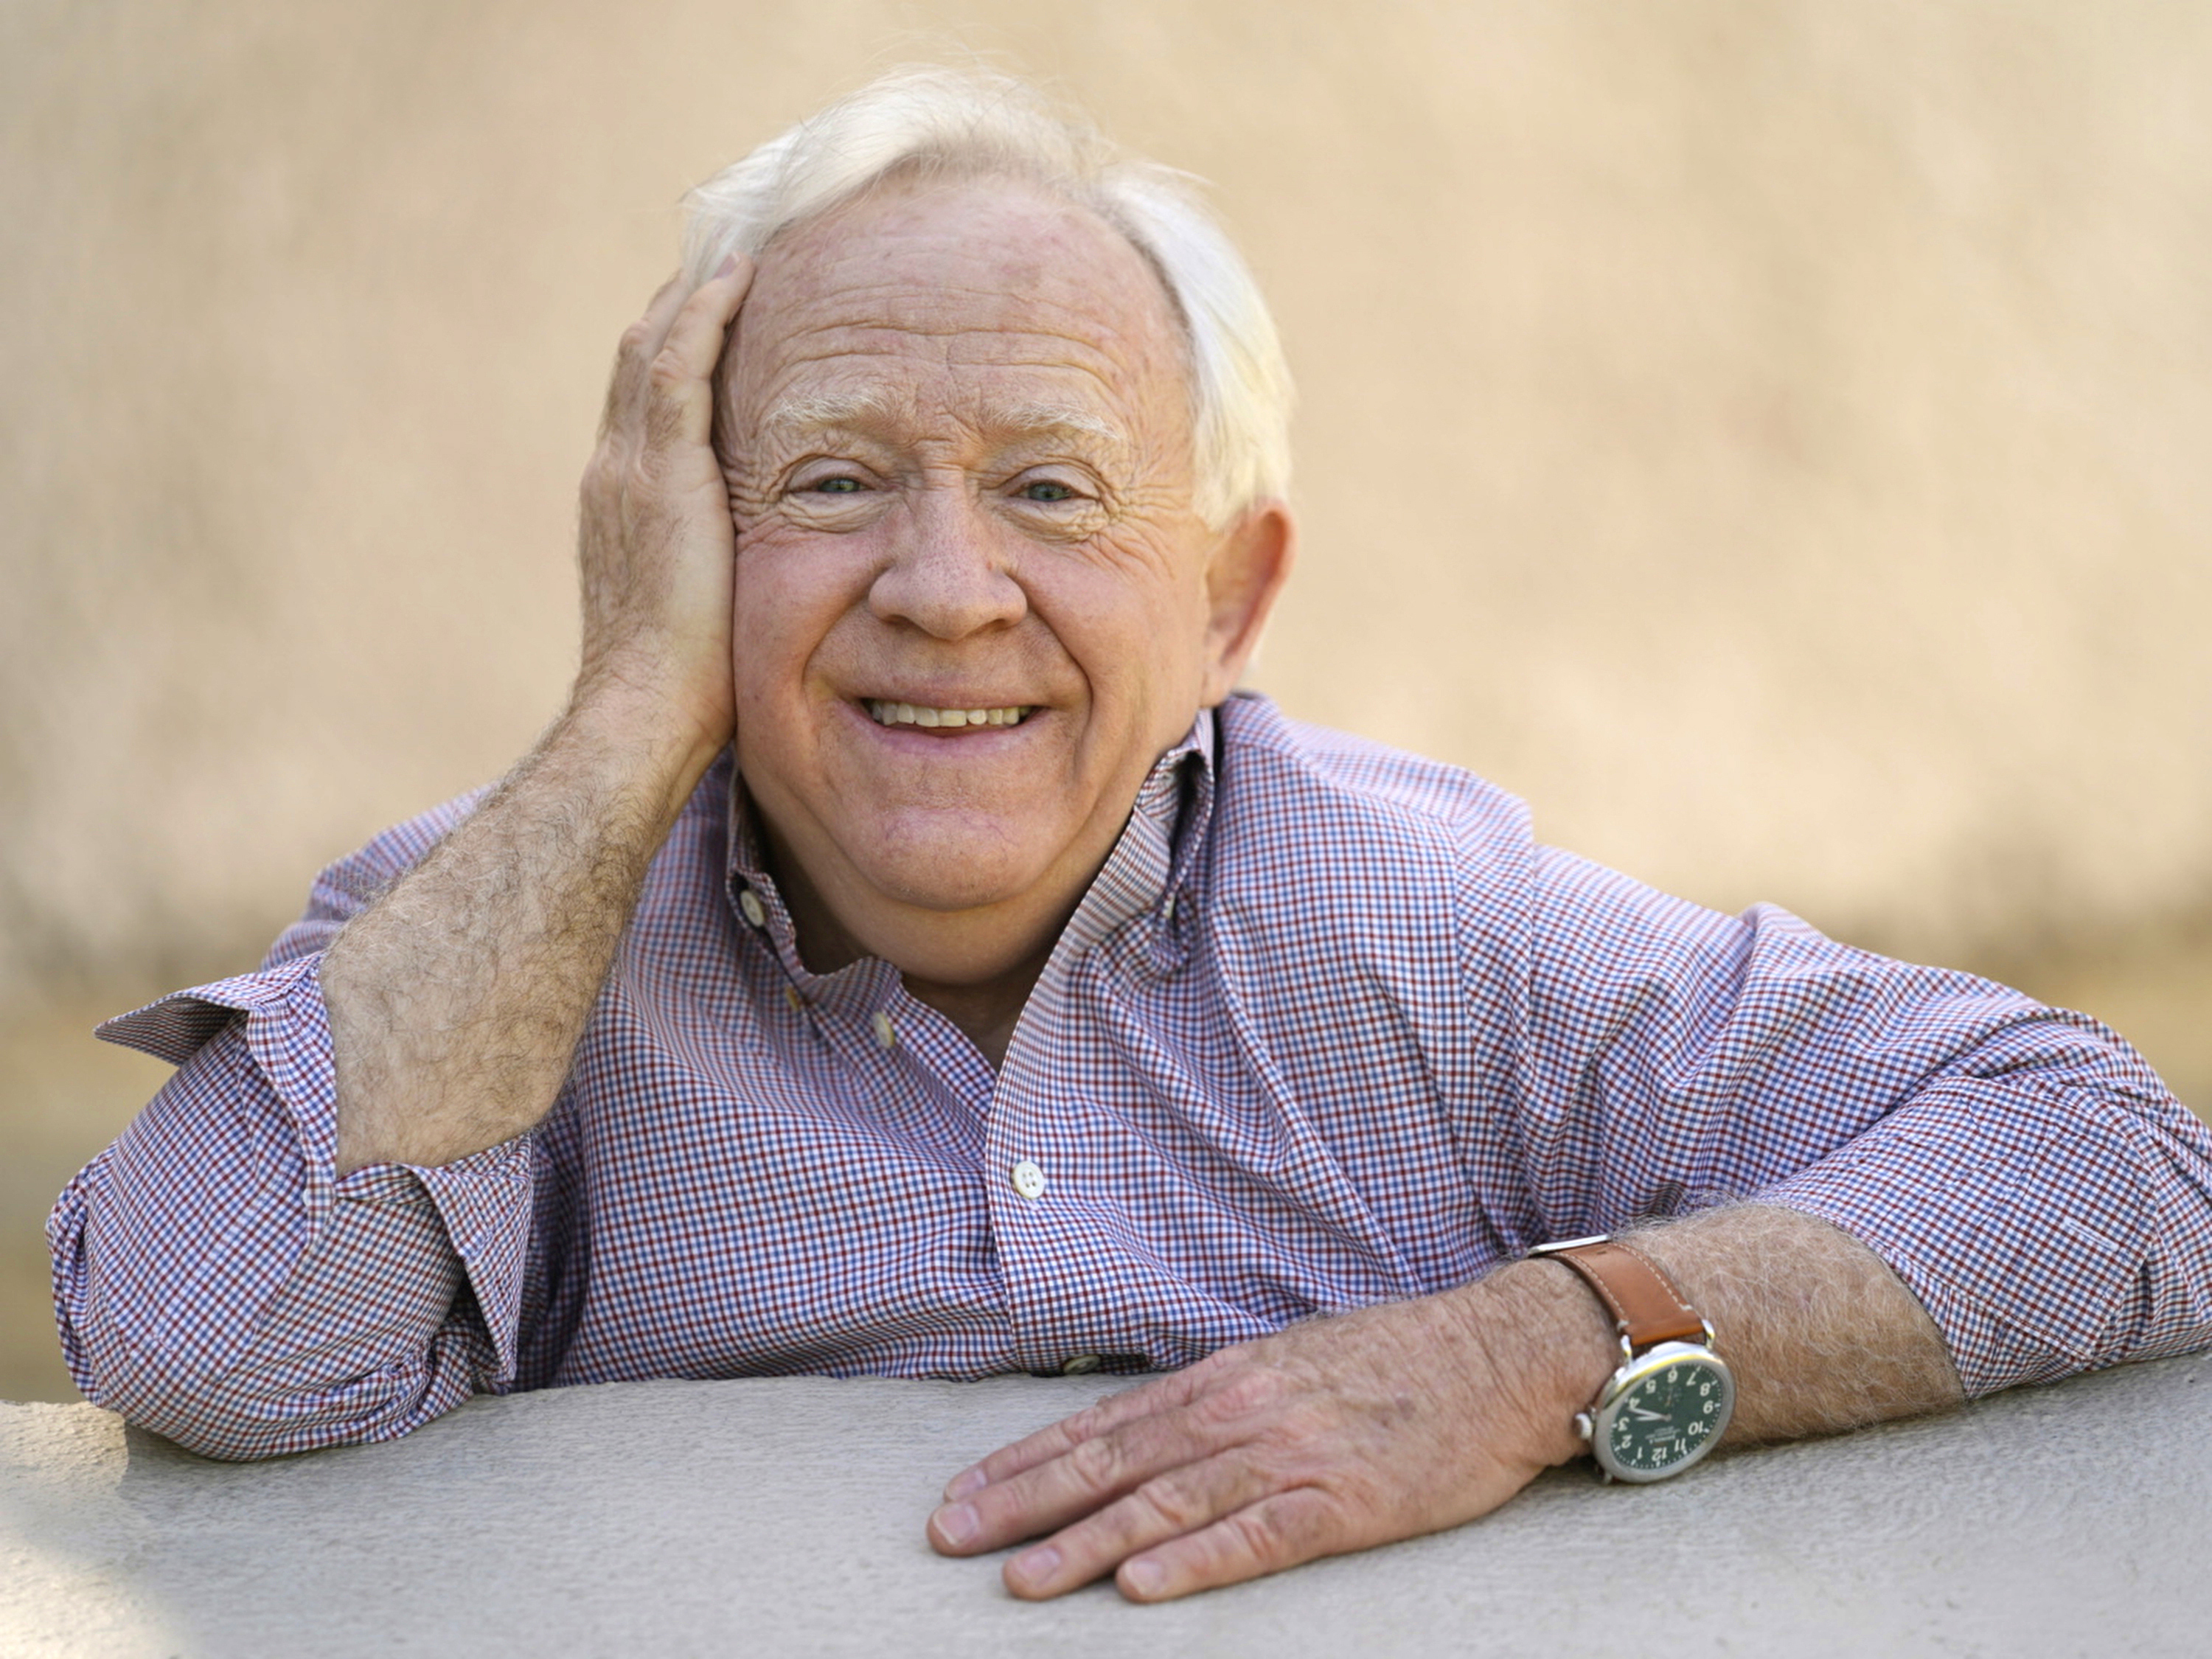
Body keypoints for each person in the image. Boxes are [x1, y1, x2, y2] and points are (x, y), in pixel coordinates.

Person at [49, 67, 2212, 1603]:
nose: (946, 585)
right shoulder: (492, 937)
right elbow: (204, 1340)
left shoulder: (1412, 914)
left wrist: (1533, 1349)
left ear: (1232, 597)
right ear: (682, 540)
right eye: (825, 480)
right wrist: (628, 712)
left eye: (1054, 489)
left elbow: (2114, 1161)